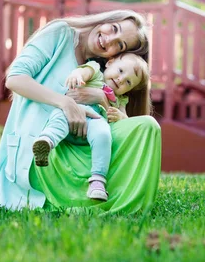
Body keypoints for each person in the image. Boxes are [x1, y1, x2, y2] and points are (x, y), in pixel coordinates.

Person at [0, 10, 161, 213]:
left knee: (147, 126)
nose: (108, 40)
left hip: (83, 144)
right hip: (44, 148)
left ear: (117, 56)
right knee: (58, 136)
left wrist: (101, 98)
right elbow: (15, 78)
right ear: (106, 20)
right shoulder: (60, 34)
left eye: (119, 45)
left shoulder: (103, 73)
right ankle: (91, 194)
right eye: (114, 28)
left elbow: (110, 121)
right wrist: (65, 104)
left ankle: (109, 192)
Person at [32, 52, 151, 202]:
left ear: (129, 90)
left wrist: (121, 117)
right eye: (120, 71)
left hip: (95, 121)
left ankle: (97, 182)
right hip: (72, 111)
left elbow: (126, 124)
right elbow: (83, 71)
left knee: (103, 135)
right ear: (110, 63)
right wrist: (77, 75)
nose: (121, 80)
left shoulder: (120, 100)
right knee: (58, 119)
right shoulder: (95, 71)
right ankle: (46, 142)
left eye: (128, 82)